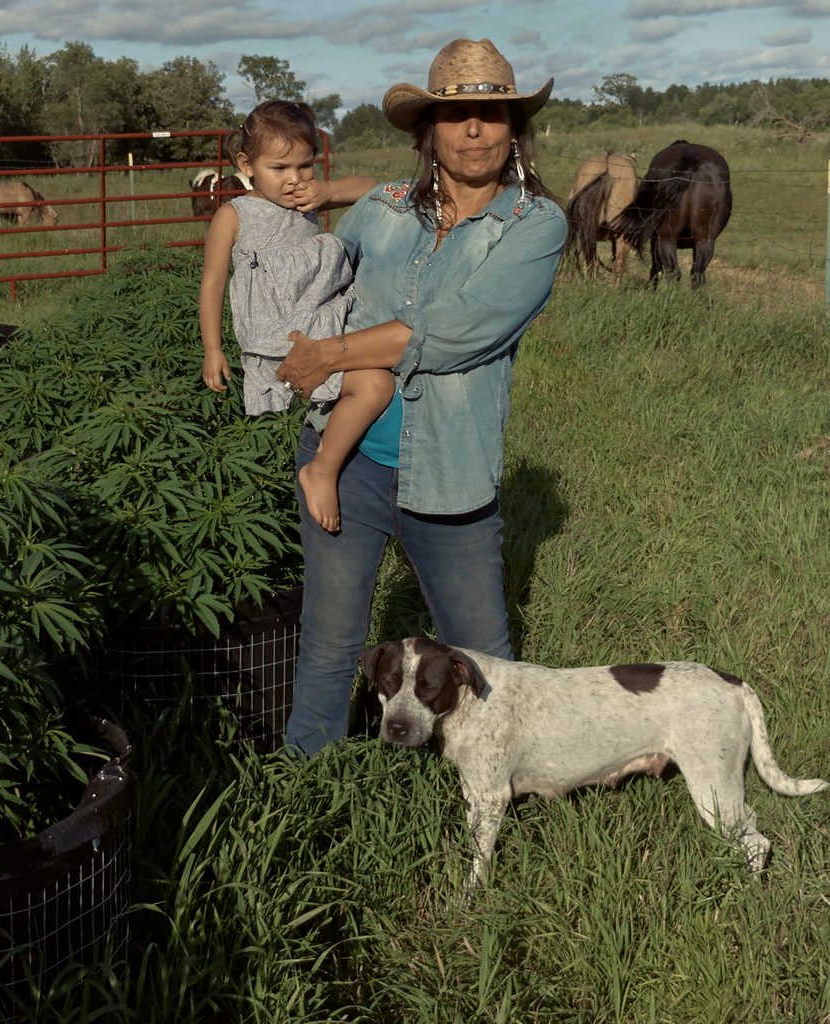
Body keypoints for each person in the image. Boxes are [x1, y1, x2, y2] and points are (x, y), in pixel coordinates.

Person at [277, 39, 567, 755]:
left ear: (514, 128)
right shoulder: (380, 210)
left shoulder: (533, 226)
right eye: (456, 114)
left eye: (492, 114)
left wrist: (330, 355)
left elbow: (456, 332)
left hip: (451, 474)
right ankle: (305, 786)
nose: (474, 130)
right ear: (426, 130)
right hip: (344, 460)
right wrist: (250, 234)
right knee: (328, 645)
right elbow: (317, 280)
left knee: (483, 660)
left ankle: (496, 799)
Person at [199, 99, 393, 532]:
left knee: (384, 376)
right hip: (279, 345)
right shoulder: (234, 215)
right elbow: (212, 285)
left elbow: (376, 189)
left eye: (305, 166)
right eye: (280, 168)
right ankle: (321, 471)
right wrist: (213, 349)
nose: (294, 180)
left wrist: (328, 191)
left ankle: (342, 469)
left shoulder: (309, 201)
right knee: (375, 385)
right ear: (246, 164)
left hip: (326, 329)